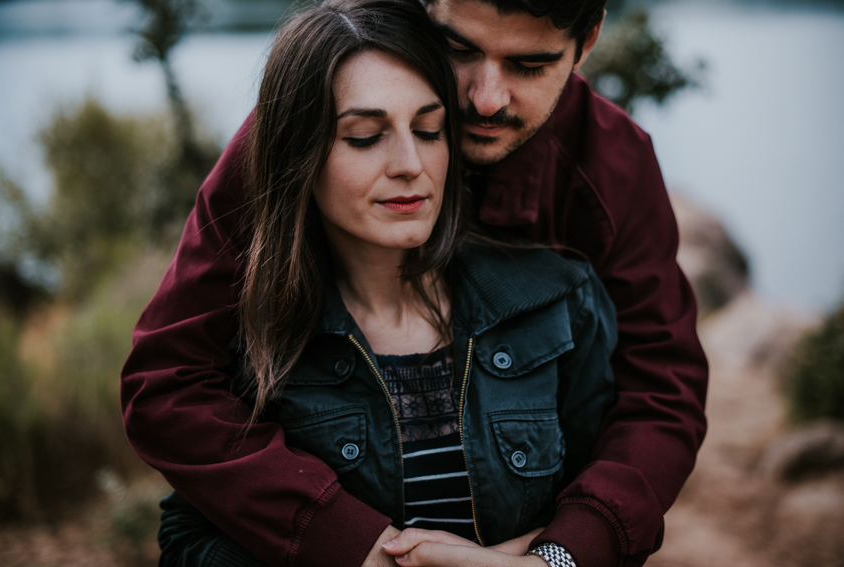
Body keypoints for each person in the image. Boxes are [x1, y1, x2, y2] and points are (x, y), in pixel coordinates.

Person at [121, 0, 708, 565]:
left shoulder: (612, 167)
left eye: (531, 65)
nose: (485, 98)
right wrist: (351, 546)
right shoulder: (325, 96)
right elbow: (170, 379)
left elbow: (662, 391)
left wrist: (561, 555)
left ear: (588, 42)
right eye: (458, 48)